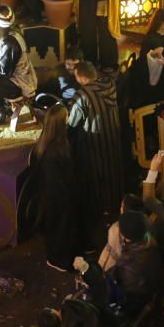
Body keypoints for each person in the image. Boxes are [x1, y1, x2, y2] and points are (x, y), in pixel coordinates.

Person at [67, 61, 122, 236]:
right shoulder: (110, 84)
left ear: (81, 77)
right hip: (112, 138)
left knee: (96, 176)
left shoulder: (83, 95)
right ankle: (115, 206)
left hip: (94, 142)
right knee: (111, 171)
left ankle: (100, 213)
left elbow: (72, 123)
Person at [29, 104, 78, 271]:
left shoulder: (53, 142)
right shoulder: (54, 151)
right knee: (58, 228)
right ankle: (57, 259)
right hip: (57, 196)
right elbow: (55, 181)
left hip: (58, 194)